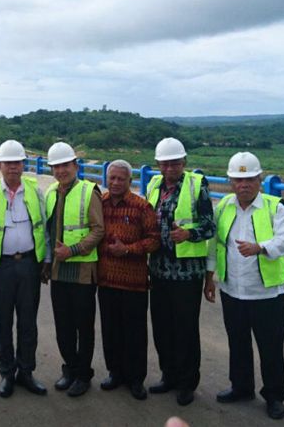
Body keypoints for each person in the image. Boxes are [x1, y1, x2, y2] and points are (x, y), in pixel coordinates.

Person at [205, 152, 284, 420]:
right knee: (238, 342)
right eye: (238, 179)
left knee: (270, 347)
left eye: (249, 179)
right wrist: (209, 277)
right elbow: (214, 245)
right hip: (233, 291)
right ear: (231, 181)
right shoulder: (223, 207)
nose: (243, 184)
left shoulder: (273, 206)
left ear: (260, 179)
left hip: (266, 293)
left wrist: (261, 248)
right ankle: (241, 387)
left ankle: (275, 396)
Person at [146, 137, 215, 406]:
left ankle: (187, 383)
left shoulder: (198, 185)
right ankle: (169, 376)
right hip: (159, 270)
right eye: (165, 163)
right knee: (162, 327)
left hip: (187, 273)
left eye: (175, 163)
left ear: (184, 162)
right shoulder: (153, 185)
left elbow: (211, 226)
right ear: (158, 164)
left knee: (185, 328)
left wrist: (189, 233)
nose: (170, 168)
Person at [0, 140, 49, 398]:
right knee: (1, 321)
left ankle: (26, 371)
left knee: (27, 321)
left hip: (29, 264)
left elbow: (43, 225)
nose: (13, 167)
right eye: (7, 162)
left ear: (24, 164)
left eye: (17, 162)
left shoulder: (34, 191)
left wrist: (45, 261)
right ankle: (6, 373)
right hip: (0, 266)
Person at [45, 141, 104, 397]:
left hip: (82, 271)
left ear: (75, 166)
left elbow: (98, 229)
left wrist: (73, 250)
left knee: (83, 325)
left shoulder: (89, 191)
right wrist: (47, 262)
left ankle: (83, 373)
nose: (61, 171)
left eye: (65, 165)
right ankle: (69, 367)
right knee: (63, 324)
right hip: (59, 271)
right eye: (56, 167)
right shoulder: (50, 193)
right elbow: (47, 232)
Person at [97, 160, 160, 401]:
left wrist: (129, 249)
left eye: (120, 179)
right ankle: (115, 373)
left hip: (134, 282)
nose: (115, 183)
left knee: (134, 332)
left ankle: (136, 379)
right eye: (111, 178)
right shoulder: (99, 204)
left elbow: (154, 240)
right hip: (105, 280)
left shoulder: (141, 206)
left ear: (130, 181)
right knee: (110, 330)